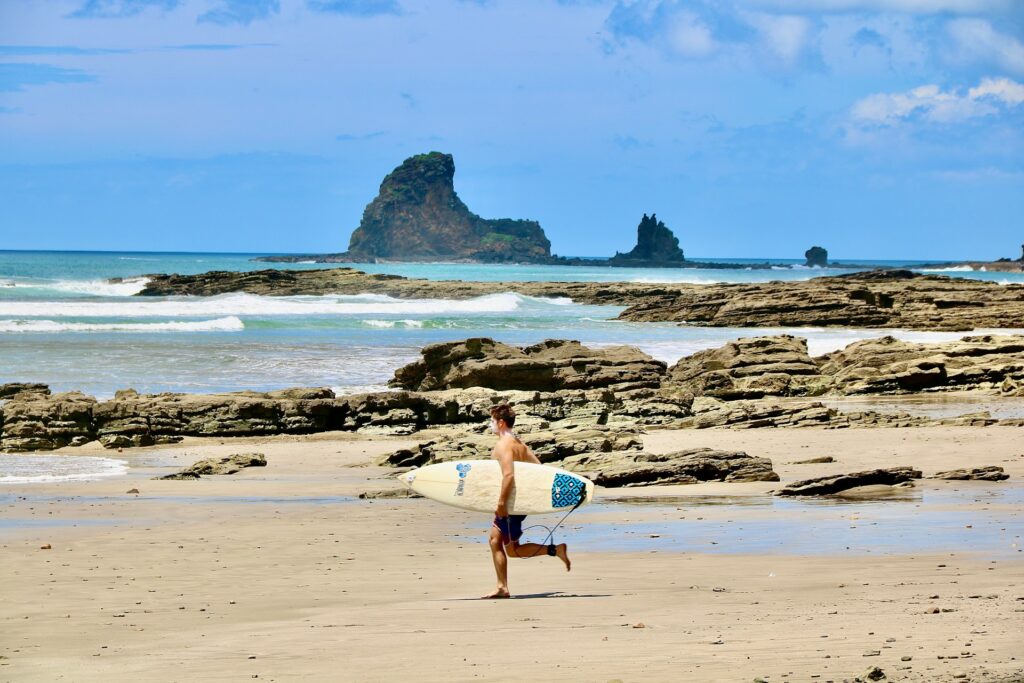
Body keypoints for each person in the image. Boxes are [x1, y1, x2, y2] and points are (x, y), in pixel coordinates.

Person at [483, 403, 571, 599]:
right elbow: (538, 469)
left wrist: (501, 503)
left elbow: (508, 476)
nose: (490, 425)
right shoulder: (519, 444)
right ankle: (502, 585)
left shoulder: (504, 445)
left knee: (504, 546)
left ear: (501, 422)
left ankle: (503, 587)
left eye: (492, 421)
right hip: (518, 503)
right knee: (502, 544)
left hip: (510, 505)